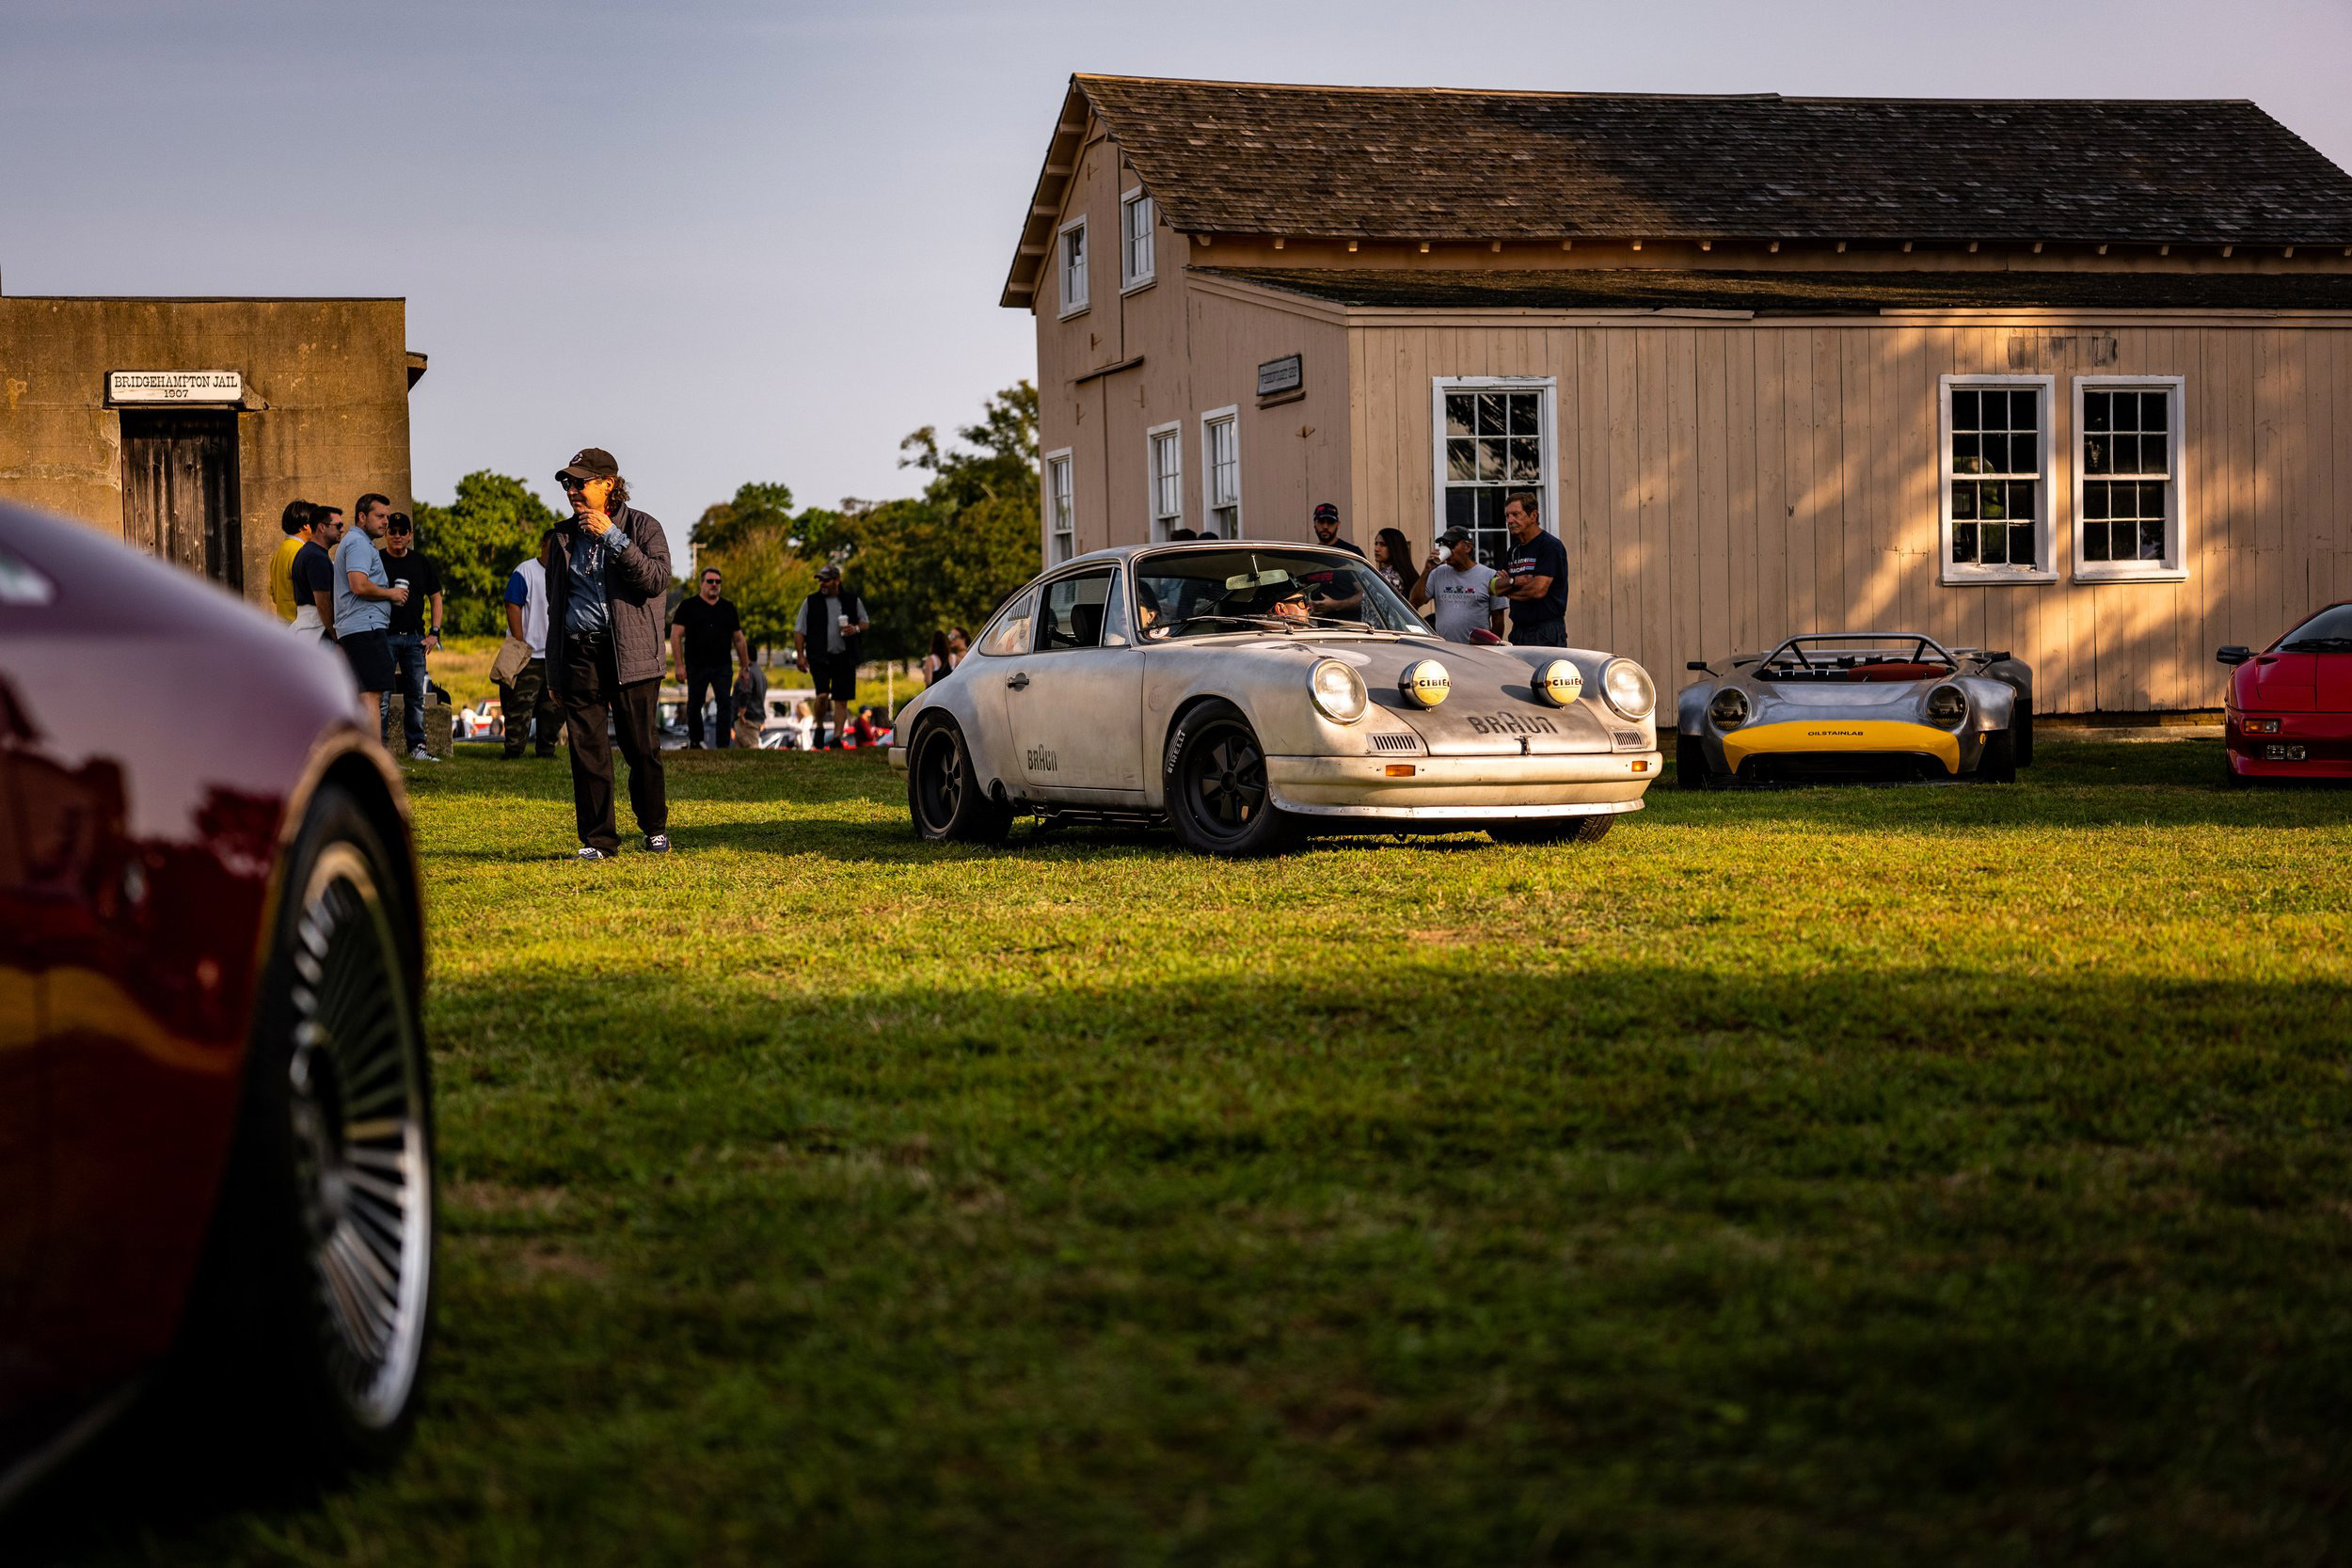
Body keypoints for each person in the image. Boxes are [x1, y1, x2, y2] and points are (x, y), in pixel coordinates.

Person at [546, 448, 673, 859]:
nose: (571, 490)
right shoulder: (562, 536)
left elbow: (655, 581)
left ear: (609, 485)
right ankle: (598, 841)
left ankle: (654, 829)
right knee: (588, 755)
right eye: (567, 483)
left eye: (580, 482)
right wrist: (554, 672)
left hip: (631, 655)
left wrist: (613, 539)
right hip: (579, 655)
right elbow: (555, 606)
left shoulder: (643, 527)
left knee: (642, 749)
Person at [333, 493, 406, 715]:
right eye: (380, 516)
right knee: (370, 696)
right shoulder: (358, 543)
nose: (386, 521)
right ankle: (373, 749)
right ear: (362, 517)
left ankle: (363, 748)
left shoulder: (358, 543)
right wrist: (390, 594)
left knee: (362, 695)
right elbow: (359, 585)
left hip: (360, 627)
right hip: (365, 627)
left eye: (387, 516)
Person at [380, 511, 444, 762]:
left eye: (401, 531)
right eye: (392, 531)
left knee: (415, 696)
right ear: (386, 535)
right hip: (385, 636)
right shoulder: (377, 560)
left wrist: (434, 634)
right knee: (382, 698)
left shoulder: (421, 562)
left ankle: (417, 747)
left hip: (416, 638)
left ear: (410, 535)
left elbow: (436, 597)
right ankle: (381, 752)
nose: (397, 536)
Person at [499, 529, 563, 759]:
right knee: (520, 705)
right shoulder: (526, 570)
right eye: (552, 546)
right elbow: (512, 604)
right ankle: (513, 749)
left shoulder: (564, 573)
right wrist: (519, 640)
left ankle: (546, 749)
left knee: (554, 708)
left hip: (554, 655)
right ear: (543, 545)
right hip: (530, 654)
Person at [669, 567, 748, 749]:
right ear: (702, 583)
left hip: (722, 666)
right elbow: (675, 635)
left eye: (718, 582)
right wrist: (679, 666)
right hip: (696, 665)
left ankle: (722, 745)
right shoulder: (688, 606)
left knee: (724, 704)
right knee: (695, 704)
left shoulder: (728, 608)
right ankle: (696, 741)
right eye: (710, 581)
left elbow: (739, 638)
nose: (714, 585)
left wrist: (745, 667)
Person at [792, 563, 869, 749]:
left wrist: (855, 628)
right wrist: (801, 656)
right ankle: (819, 726)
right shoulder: (811, 601)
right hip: (819, 656)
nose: (822, 584)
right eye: (820, 580)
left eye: (826, 580)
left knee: (841, 699)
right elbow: (799, 631)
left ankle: (836, 737)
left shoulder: (852, 600)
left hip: (844, 656)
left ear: (837, 581)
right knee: (822, 695)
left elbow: (865, 622)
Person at [1489, 491, 1569, 647]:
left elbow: (1537, 590)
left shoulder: (1550, 546)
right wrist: (1514, 581)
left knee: (1543, 672)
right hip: (1518, 631)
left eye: (1516, 514)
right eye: (1507, 516)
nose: (1510, 520)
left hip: (1546, 631)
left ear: (1533, 516)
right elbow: (1493, 587)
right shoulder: (1513, 550)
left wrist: (1507, 590)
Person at [1412, 529, 1508, 643]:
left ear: (1467, 547)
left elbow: (1498, 621)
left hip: (1477, 651)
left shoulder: (1490, 575)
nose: (1446, 549)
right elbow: (1415, 601)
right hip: (1445, 649)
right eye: (1443, 545)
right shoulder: (1437, 573)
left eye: (1451, 545)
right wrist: (1427, 570)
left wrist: (1492, 648)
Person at [291, 503, 342, 640]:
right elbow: (323, 603)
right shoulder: (316, 557)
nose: (342, 530)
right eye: (338, 526)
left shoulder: (307, 551)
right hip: (318, 632)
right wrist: (336, 636)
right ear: (322, 527)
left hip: (308, 628)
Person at [267, 500, 310, 623]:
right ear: (305, 525)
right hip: (301, 625)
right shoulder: (302, 552)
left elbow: (273, 592)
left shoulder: (279, 552)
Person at [1372, 528, 1419, 599]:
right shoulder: (1404, 574)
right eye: (1376, 543)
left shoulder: (1388, 576)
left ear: (1394, 547)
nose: (1376, 549)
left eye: (1383, 544)